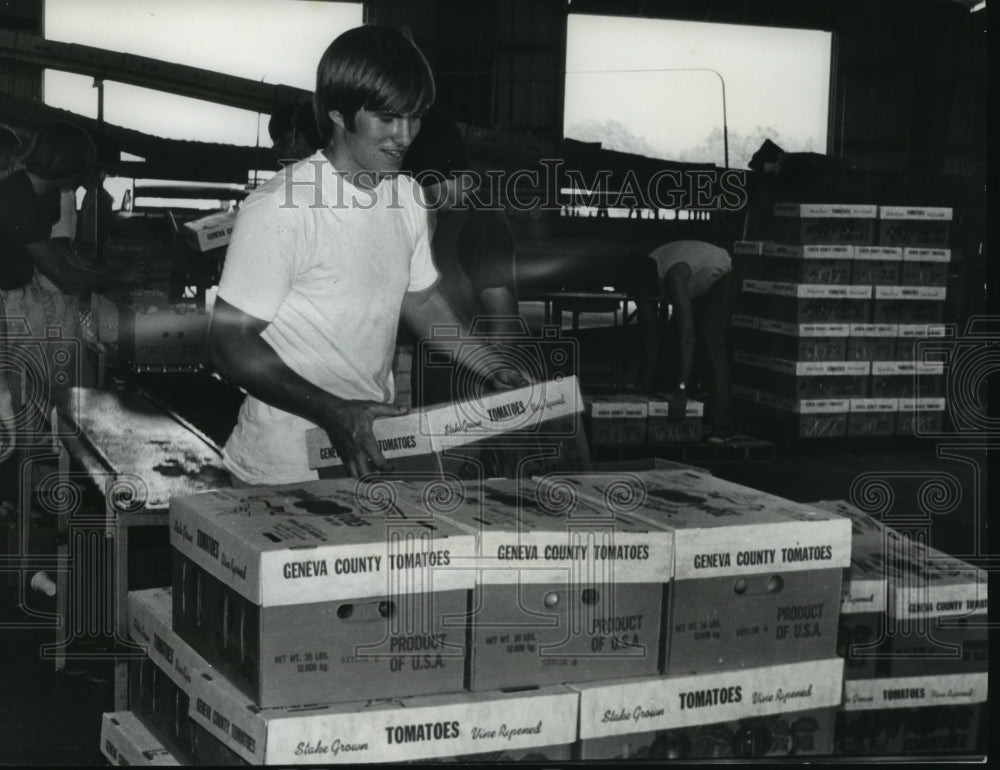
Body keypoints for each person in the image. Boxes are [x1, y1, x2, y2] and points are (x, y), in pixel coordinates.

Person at [208, 25, 524, 485]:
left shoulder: (408, 198)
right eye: (388, 119)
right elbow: (227, 343)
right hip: (281, 469)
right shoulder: (283, 206)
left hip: (367, 448)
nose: (406, 135)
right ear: (338, 113)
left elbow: (419, 299)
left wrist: (491, 366)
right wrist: (333, 411)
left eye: (415, 118)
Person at [0, 121, 143, 446]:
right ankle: (38, 459)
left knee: (59, 368)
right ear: (71, 171)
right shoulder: (17, 199)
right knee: (34, 387)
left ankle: (47, 449)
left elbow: (59, 259)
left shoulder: (40, 193)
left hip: (17, 294)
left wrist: (106, 275)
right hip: (5, 303)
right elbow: (64, 274)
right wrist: (117, 277)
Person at [403, 106, 519, 405]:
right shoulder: (442, 217)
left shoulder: (482, 222)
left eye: (429, 190)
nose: (427, 201)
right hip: (433, 387)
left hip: (468, 395)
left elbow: (503, 322)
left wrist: (490, 393)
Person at [624, 240, 735, 437]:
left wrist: (680, 389)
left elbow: (688, 338)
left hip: (723, 275)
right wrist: (644, 387)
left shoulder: (673, 277)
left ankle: (723, 421)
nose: (638, 301)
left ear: (650, 286)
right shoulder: (640, 279)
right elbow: (651, 335)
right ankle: (684, 403)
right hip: (693, 281)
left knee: (708, 334)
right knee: (671, 337)